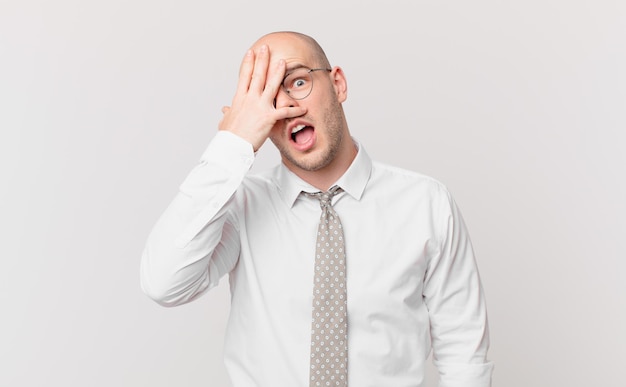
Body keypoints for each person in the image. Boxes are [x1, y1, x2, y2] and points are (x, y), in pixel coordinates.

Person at [141, 31, 493, 386]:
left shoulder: (426, 204)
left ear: (338, 84)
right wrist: (233, 145)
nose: (286, 106)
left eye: (297, 81)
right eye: (264, 97)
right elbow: (164, 284)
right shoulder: (239, 206)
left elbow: (464, 354)